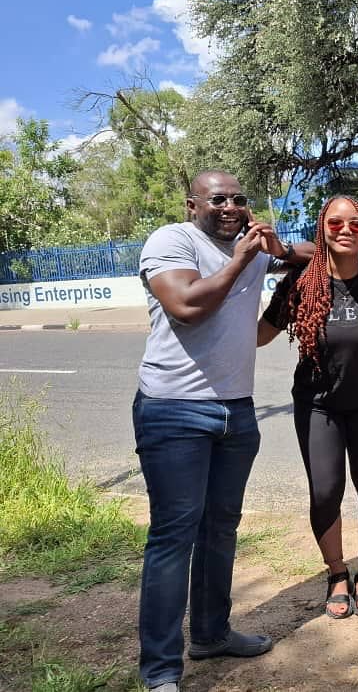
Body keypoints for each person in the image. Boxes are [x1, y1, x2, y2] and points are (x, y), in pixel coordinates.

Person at [133, 170, 312, 692]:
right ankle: (161, 671)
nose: (231, 207)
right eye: (218, 199)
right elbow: (187, 307)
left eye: (239, 199)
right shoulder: (172, 241)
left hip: (236, 411)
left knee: (220, 531)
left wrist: (279, 250)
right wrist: (243, 259)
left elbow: (306, 255)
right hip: (175, 412)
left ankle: (211, 634)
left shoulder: (252, 248)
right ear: (193, 205)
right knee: (174, 537)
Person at [257, 195, 358, 619]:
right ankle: (337, 573)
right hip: (319, 405)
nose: (345, 230)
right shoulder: (303, 281)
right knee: (325, 491)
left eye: (356, 224)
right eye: (335, 223)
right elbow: (260, 335)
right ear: (323, 229)